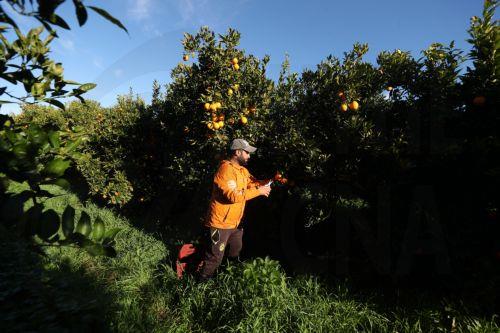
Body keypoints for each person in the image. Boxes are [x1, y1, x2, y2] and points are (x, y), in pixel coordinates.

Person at [198, 138, 272, 280]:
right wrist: (260, 191)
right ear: (237, 152)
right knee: (215, 257)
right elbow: (232, 196)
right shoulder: (225, 170)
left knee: (234, 254)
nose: (249, 156)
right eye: (247, 152)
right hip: (219, 224)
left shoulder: (242, 171)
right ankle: (201, 286)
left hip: (236, 224)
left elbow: (253, 184)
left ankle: (225, 281)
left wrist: (270, 180)